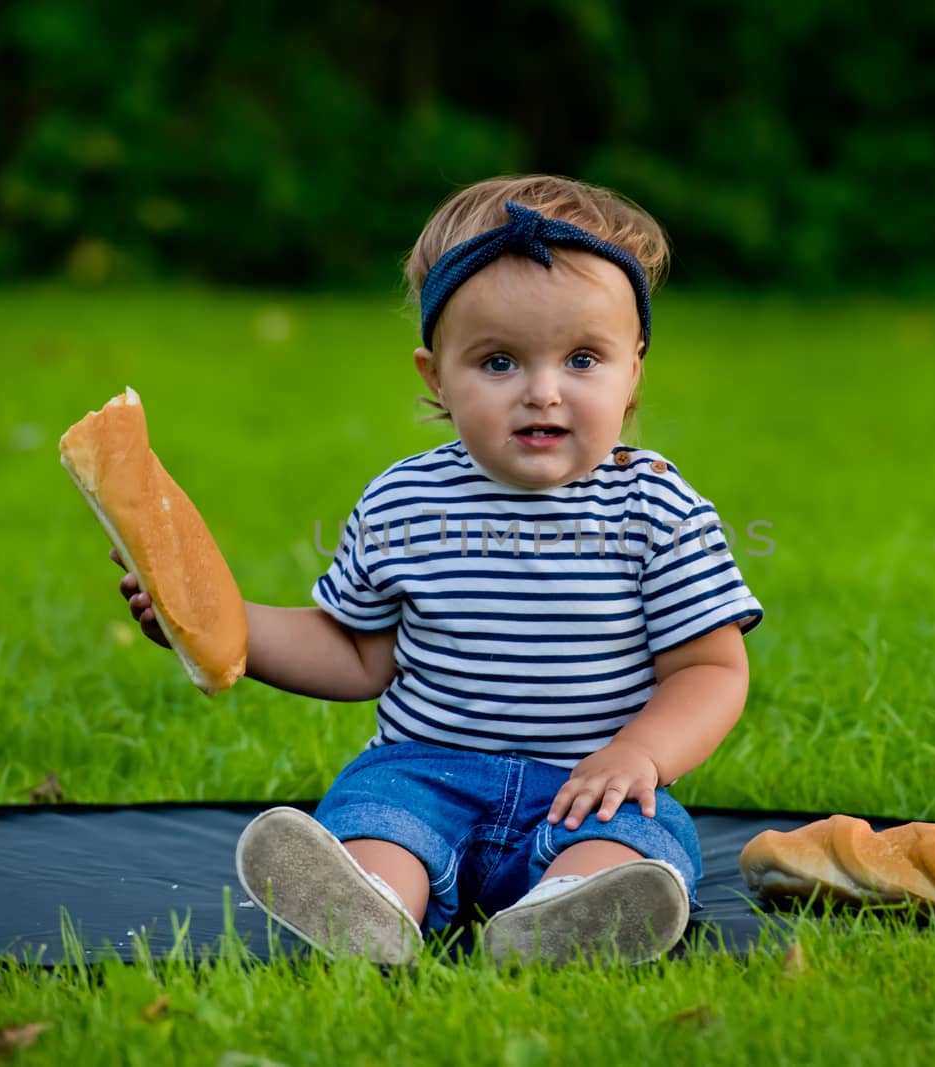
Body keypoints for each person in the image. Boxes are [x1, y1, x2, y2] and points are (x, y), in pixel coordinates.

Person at [112, 174, 763, 967]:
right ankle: (373, 904)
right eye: (498, 363)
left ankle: (568, 913)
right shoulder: (404, 501)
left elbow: (712, 666)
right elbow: (353, 653)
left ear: (633, 372)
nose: (543, 392)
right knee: (380, 814)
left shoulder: (657, 506)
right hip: (426, 771)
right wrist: (212, 618)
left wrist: (641, 755)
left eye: (583, 358)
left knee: (632, 839)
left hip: (590, 784)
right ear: (436, 377)